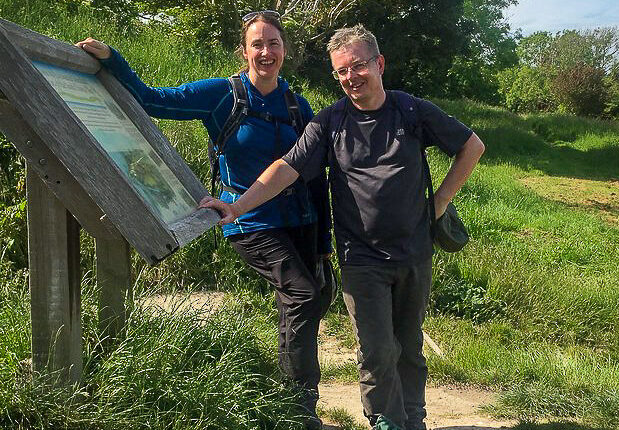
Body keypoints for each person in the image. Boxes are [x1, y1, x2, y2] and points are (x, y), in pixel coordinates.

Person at [200, 24, 485, 430]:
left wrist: (438, 204)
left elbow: (471, 146)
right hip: (361, 257)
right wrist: (238, 206)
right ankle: (384, 419)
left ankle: (414, 418)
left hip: (415, 252)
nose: (351, 77)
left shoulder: (411, 110)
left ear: (379, 63)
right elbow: (287, 168)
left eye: (358, 66)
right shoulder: (330, 122)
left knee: (409, 346)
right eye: (341, 71)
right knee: (376, 348)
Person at [77, 11, 331, 430]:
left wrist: (322, 241)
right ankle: (300, 410)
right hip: (248, 220)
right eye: (257, 44)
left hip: (299, 220)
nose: (266, 52)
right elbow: (153, 100)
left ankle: (286, 391)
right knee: (302, 294)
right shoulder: (222, 95)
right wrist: (112, 59)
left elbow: (311, 170)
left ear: (285, 50)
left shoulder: (295, 103)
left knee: (314, 293)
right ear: (244, 50)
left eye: (274, 44)